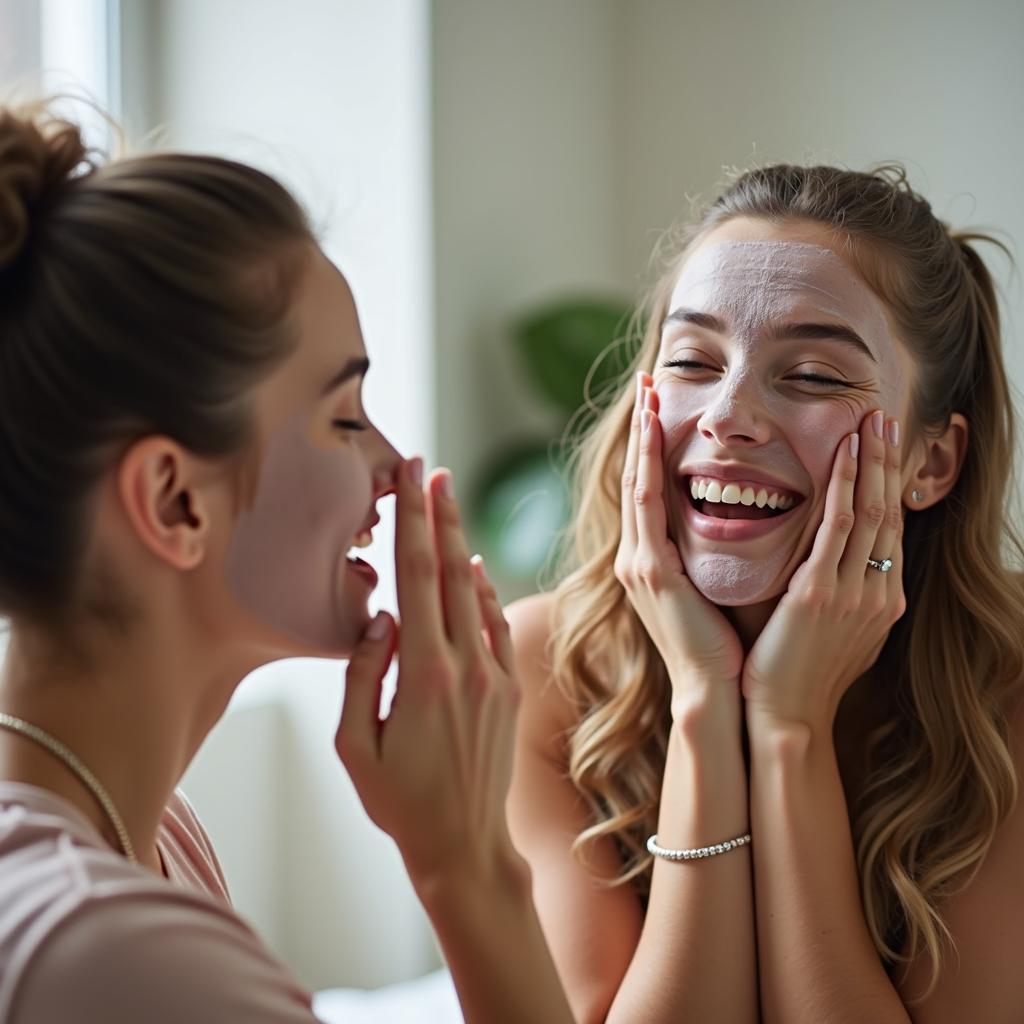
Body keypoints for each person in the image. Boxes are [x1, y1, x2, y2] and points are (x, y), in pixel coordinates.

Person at [0, 103, 574, 1023]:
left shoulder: (146, 838)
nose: (391, 467)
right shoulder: (112, 951)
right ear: (174, 502)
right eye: (345, 417)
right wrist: (464, 865)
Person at [507, 164, 1024, 1022]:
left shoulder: (1008, 692)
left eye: (816, 375)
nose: (727, 414)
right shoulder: (536, 668)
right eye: (692, 361)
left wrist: (789, 727)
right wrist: (706, 703)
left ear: (932, 463)